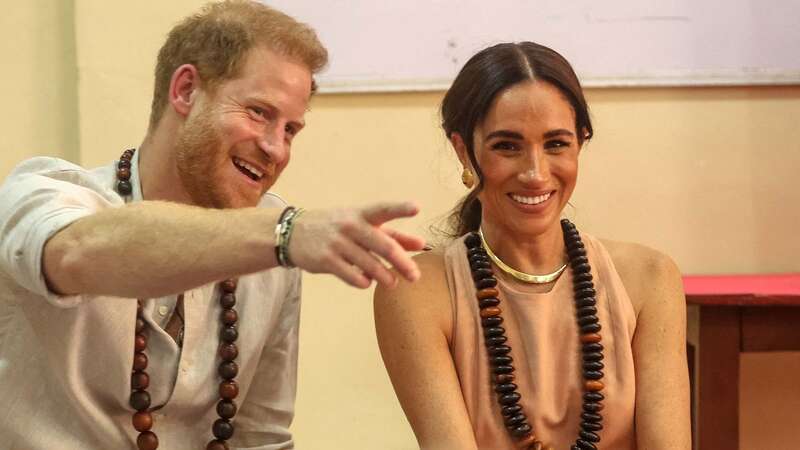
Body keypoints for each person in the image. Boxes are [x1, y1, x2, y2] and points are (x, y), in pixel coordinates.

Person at [0, 1, 424, 449]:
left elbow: (262, 439)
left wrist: (281, 238)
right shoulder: (44, 191)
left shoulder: (272, 246)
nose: (275, 149)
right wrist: (284, 236)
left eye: (291, 130)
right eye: (259, 112)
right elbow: (77, 252)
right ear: (185, 90)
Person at [374, 42, 690, 450]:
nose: (535, 173)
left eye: (556, 144)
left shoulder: (650, 278)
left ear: (581, 142)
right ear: (462, 150)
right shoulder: (415, 289)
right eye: (507, 145)